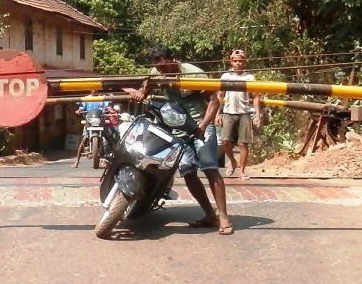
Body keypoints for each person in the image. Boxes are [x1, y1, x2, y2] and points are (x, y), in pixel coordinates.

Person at [129, 45, 233, 235]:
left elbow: (214, 101)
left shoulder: (194, 75)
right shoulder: (156, 73)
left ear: (173, 59)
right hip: (177, 128)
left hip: (200, 125)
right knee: (188, 171)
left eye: (165, 68)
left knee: (209, 168)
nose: (162, 72)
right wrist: (140, 93)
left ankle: (224, 217)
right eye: (159, 69)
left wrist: (202, 126)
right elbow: (147, 86)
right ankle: (210, 215)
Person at [216, 49, 262, 180]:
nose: (237, 63)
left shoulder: (249, 77)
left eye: (240, 61)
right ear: (231, 61)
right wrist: (217, 114)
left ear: (244, 62)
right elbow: (220, 95)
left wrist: (257, 115)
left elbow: (256, 97)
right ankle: (232, 160)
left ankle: (242, 171)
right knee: (225, 140)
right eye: (235, 61)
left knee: (244, 143)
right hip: (228, 112)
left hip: (244, 112)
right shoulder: (225, 77)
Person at [71, 90, 117, 168]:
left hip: (100, 121)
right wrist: (79, 111)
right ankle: (77, 161)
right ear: (90, 89)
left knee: (109, 139)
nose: (94, 90)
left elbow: (108, 107)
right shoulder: (86, 99)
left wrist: (113, 112)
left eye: (96, 88)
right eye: (93, 88)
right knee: (84, 139)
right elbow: (81, 108)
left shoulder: (103, 98)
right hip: (89, 122)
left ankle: (117, 159)